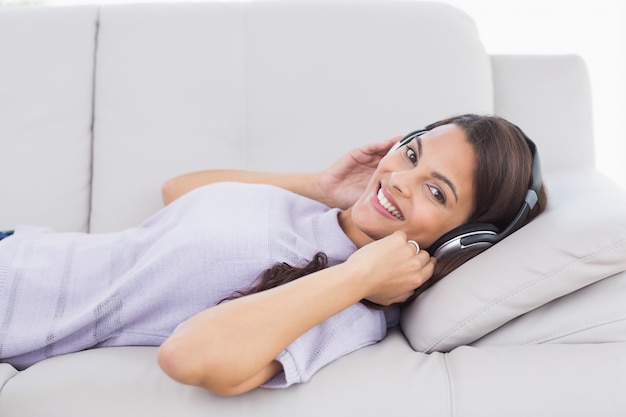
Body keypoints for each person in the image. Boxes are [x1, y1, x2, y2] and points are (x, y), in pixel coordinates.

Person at [0, 114, 546, 396]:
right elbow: (179, 190)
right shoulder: (322, 214)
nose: (400, 180)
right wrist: (320, 185)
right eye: (410, 155)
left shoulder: (350, 307)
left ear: (461, 240)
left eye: (436, 191)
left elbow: (188, 358)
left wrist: (356, 277)